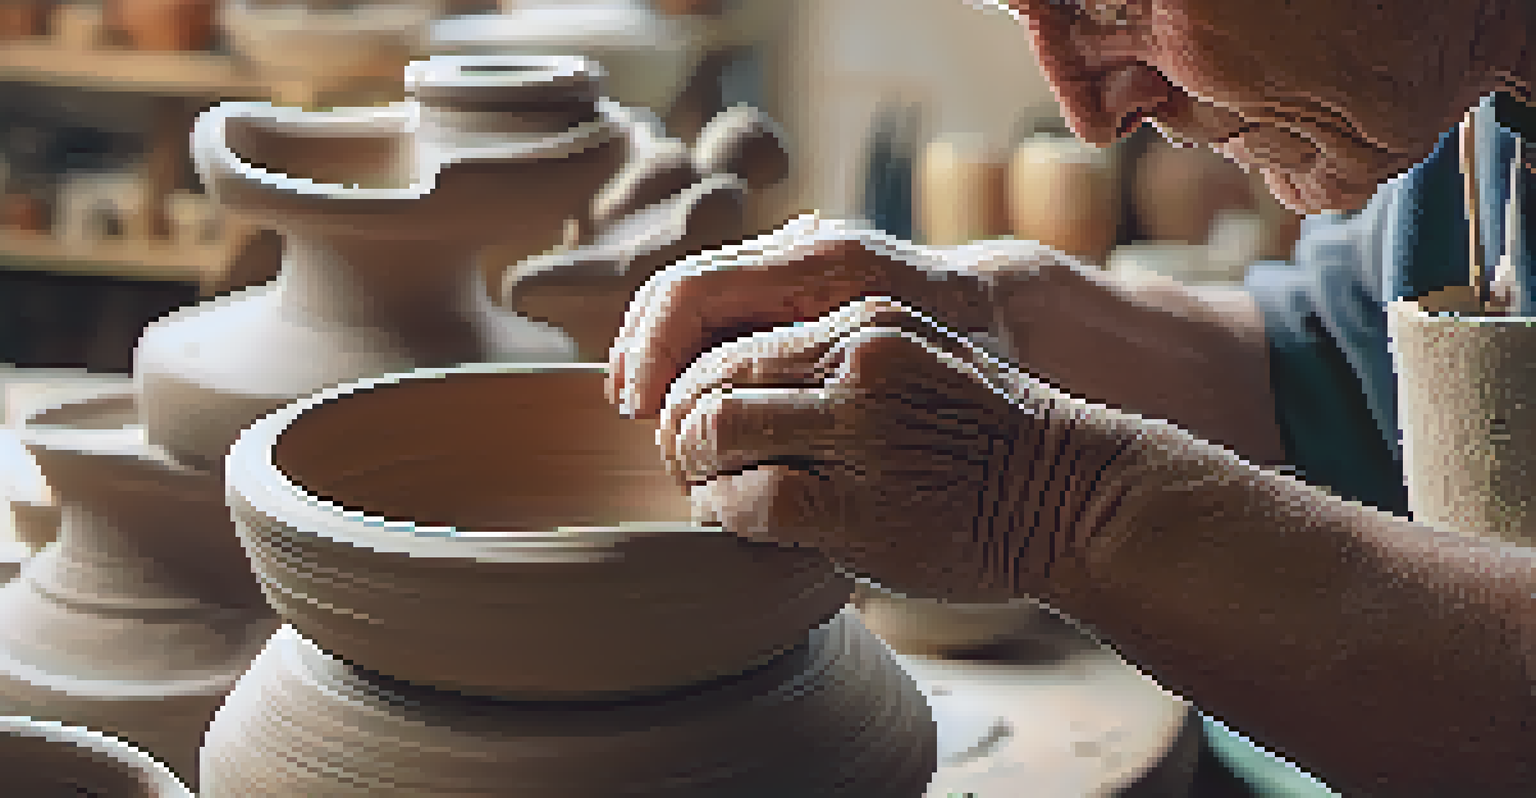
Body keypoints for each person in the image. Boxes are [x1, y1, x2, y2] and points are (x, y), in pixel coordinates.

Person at [607, 0, 1536, 795]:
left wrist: (1055, 505)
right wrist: (989, 312)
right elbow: (1327, 361)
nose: (1088, 115)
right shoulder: (1468, 106)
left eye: (1108, 5)